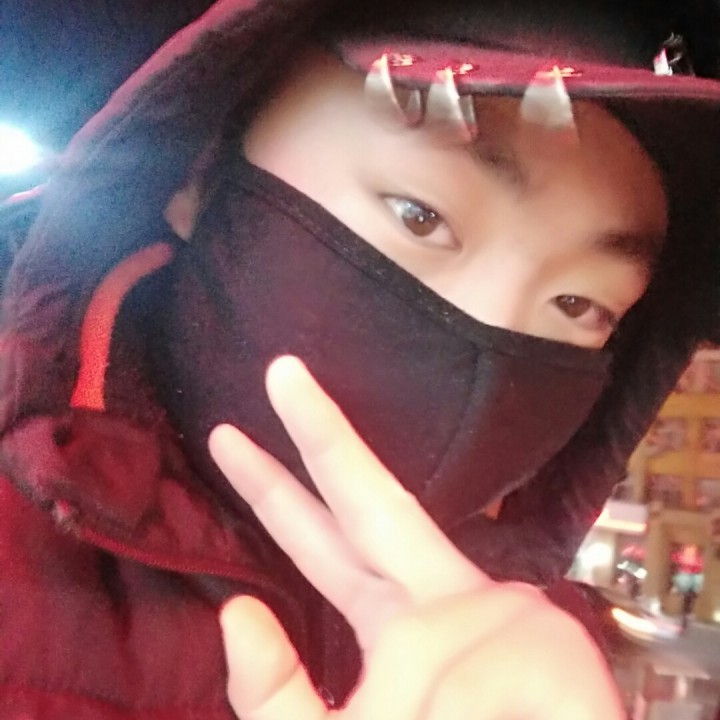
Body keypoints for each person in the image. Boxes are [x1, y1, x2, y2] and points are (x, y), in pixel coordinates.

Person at [0, 0, 719, 717]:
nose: (490, 344)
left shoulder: (543, 681)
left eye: (579, 304)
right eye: (420, 215)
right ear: (202, 166)